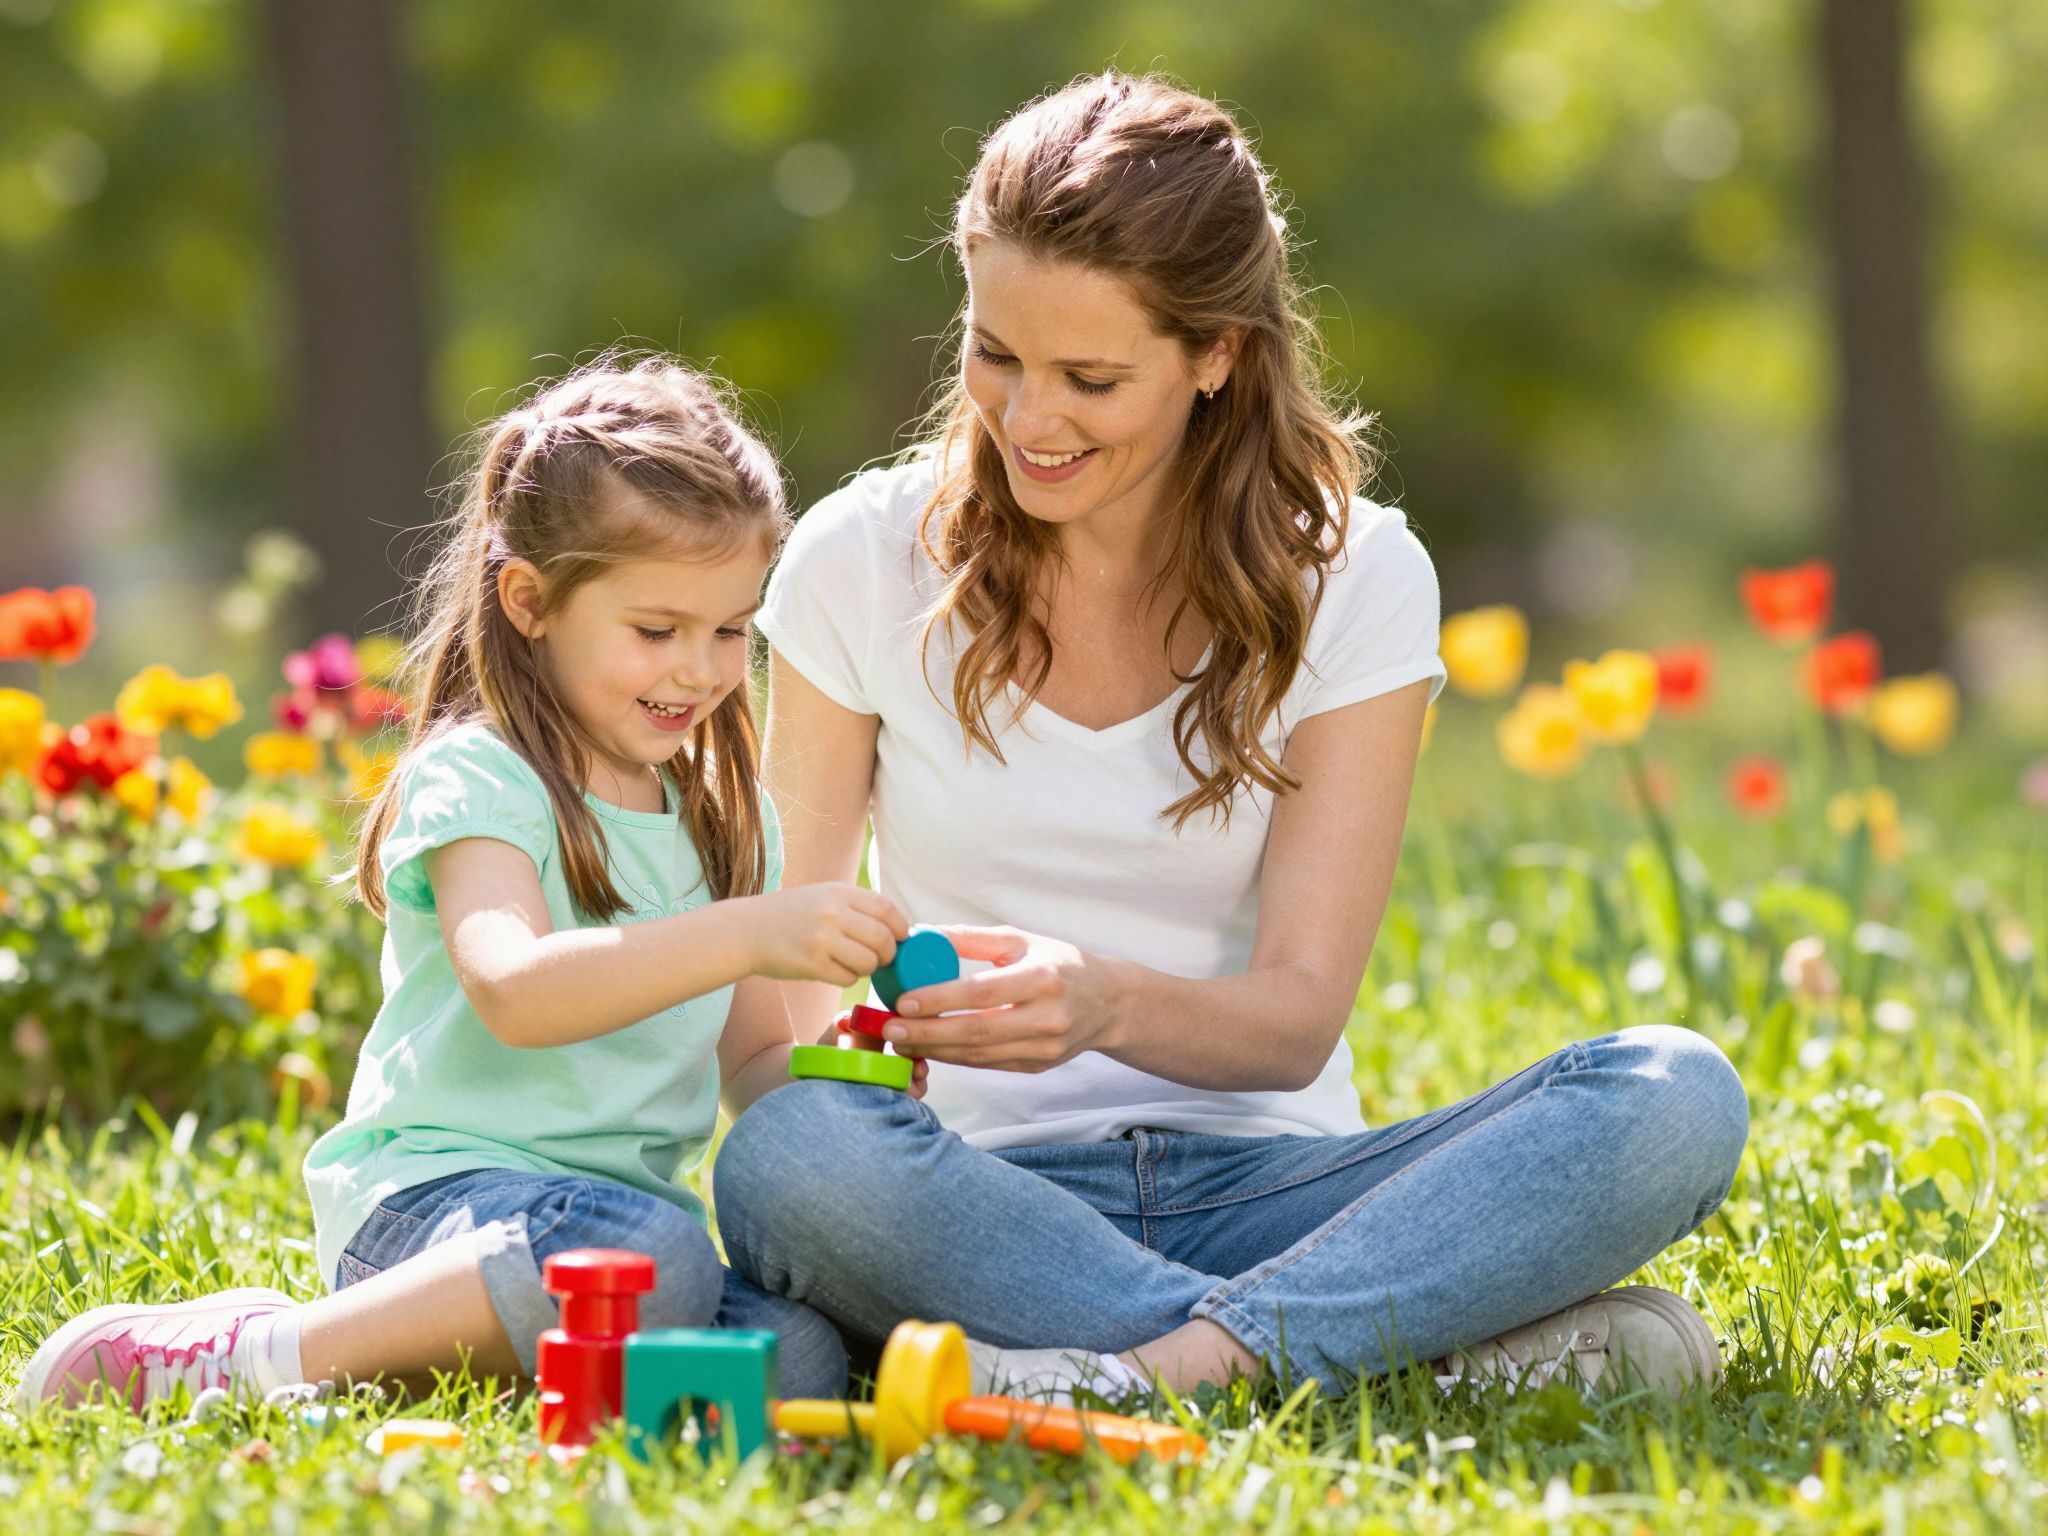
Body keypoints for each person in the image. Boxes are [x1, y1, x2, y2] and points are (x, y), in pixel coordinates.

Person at [711, 74, 1750, 1401]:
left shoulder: (1358, 577)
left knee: (1675, 1093)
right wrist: (849, 1057)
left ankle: (1128, 1373)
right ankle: (1380, 1359)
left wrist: (1104, 1001)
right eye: (996, 355)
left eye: (1090, 377)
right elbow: (771, 1009)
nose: (1028, 421)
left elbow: (1293, 1023)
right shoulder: (858, 561)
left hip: (1283, 1183)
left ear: (1219, 355)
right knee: (790, 1159)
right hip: (976, 1202)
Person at [14, 356, 909, 1412]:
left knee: (796, 1353)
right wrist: (748, 932)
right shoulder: (481, 777)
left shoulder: (718, 808)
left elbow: (751, 1051)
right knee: (656, 1260)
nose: (700, 670)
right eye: (656, 631)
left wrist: (847, 1112)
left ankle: (522, 1367)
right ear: (530, 601)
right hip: (432, 1207)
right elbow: (515, 988)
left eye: (728, 629)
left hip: (602, 1228)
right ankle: (259, 1353)